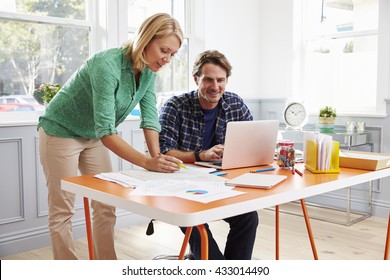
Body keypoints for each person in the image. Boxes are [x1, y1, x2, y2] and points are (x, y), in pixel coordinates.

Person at [38, 13, 184, 260]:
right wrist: (147, 162)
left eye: (172, 54)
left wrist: (157, 158)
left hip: (92, 136)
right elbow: (106, 131)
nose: (167, 59)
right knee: (62, 210)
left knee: (105, 203)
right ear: (146, 39)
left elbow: (149, 118)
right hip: (61, 131)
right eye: (164, 50)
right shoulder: (106, 64)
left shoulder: (148, 72)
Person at [159, 50, 259, 260]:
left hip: (222, 184)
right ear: (196, 79)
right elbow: (164, 151)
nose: (215, 87)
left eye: (221, 80)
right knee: (195, 224)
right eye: (209, 80)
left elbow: (253, 140)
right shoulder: (175, 106)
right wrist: (201, 155)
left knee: (249, 217)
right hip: (181, 188)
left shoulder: (235, 103)